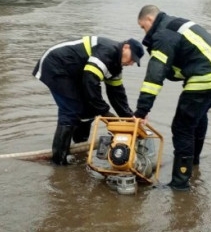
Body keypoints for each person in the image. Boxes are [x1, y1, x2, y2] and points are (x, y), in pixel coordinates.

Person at [133, 5, 211, 191]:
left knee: (182, 126)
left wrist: (141, 111)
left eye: (142, 27)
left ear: (149, 20)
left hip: (206, 77)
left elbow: (153, 78)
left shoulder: (162, 36)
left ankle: (180, 183)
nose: (144, 31)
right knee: (197, 117)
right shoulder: (175, 23)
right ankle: (193, 163)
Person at [33, 36, 145, 165]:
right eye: (132, 58)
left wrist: (130, 119)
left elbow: (117, 95)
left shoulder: (116, 67)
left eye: (134, 62)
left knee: (88, 111)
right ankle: (58, 161)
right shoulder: (108, 51)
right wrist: (105, 112)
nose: (131, 63)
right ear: (126, 46)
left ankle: (79, 149)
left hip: (75, 73)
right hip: (56, 64)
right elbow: (90, 81)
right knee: (70, 111)